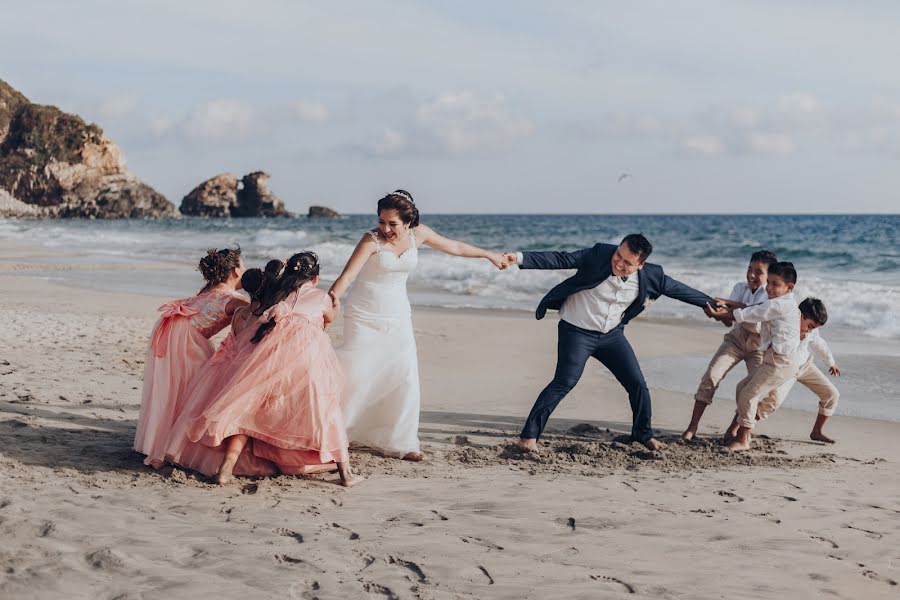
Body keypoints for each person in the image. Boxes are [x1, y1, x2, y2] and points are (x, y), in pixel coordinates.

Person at [329, 190, 508, 460]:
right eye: (381, 222)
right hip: (364, 314)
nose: (385, 229)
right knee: (358, 372)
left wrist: (489, 255)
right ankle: (335, 432)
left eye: (392, 223)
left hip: (399, 314)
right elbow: (346, 278)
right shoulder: (371, 240)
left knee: (404, 375)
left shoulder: (419, 234)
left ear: (408, 222)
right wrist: (327, 306)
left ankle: (402, 442)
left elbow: (456, 247)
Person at [502, 234, 717, 452]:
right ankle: (528, 437)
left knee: (637, 385)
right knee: (564, 382)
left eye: (627, 262)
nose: (618, 263)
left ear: (641, 265)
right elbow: (561, 259)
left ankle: (643, 435)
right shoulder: (599, 254)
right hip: (576, 332)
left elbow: (682, 291)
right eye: (618, 255)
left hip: (611, 336)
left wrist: (713, 306)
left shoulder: (653, 276)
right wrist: (519, 258)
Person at [186, 252, 359, 486]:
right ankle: (346, 473)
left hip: (273, 354)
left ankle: (226, 468)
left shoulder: (281, 297)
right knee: (326, 407)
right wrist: (334, 307)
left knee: (248, 408)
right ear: (315, 279)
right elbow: (329, 317)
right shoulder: (321, 296)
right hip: (309, 355)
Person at [135, 247, 246, 468]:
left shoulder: (207, 290)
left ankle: (163, 440)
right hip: (187, 338)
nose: (245, 270)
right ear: (234, 271)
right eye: (243, 266)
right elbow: (256, 313)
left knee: (174, 390)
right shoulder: (233, 298)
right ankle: (176, 446)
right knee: (195, 390)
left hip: (175, 329)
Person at [163, 267, 280, 478]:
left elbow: (233, 339)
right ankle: (229, 465)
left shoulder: (239, 313)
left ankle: (187, 452)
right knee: (243, 416)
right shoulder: (262, 318)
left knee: (204, 409)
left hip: (224, 367)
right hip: (244, 370)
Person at [681, 250, 777, 441]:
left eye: (758, 272)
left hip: (759, 345)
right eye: (750, 269)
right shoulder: (740, 287)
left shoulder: (770, 297)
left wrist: (727, 307)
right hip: (736, 338)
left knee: (753, 388)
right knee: (711, 376)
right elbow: (729, 320)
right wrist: (718, 314)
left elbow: (752, 312)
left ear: (769, 276)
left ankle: (733, 429)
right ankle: (692, 427)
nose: (751, 275)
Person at [705, 261, 801, 451]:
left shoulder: (782, 305)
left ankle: (744, 439)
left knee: (749, 394)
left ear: (789, 288)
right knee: (742, 388)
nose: (770, 288)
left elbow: (755, 312)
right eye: (770, 283)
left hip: (781, 362)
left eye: (776, 284)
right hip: (772, 359)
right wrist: (729, 306)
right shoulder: (776, 301)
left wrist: (725, 313)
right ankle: (739, 432)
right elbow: (754, 306)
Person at [755, 297, 841, 443]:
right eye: (810, 326)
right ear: (800, 316)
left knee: (832, 395)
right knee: (773, 402)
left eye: (814, 327)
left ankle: (817, 431)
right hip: (786, 369)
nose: (811, 330)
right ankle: (740, 425)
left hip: (805, 366)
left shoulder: (811, 331)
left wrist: (831, 363)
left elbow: (819, 344)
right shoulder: (786, 327)